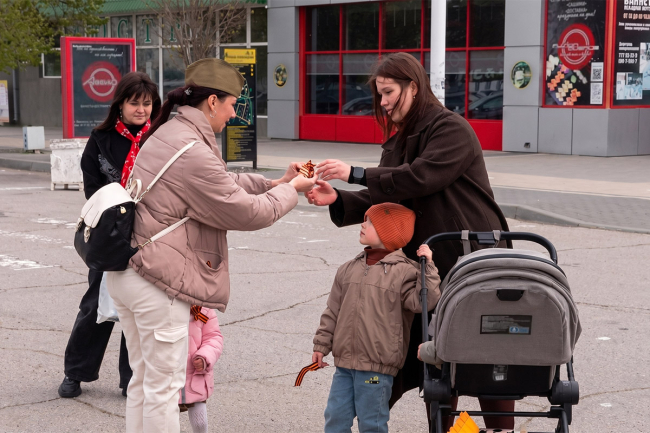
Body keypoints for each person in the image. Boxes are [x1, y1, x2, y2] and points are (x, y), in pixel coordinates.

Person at [106, 58, 316, 433]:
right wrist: (292, 191)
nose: (235, 114)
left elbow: (221, 181)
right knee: (164, 390)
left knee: (144, 382)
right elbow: (247, 212)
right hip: (157, 281)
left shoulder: (172, 131)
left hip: (131, 272)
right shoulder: (192, 148)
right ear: (213, 102)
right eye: (233, 104)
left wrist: (275, 182)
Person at [305, 52, 513, 430]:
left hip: (469, 255)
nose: (383, 102)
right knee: (430, 354)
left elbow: (419, 177)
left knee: (482, 351)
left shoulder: (450, 128)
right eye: (379, 94)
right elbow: (391, 196)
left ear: (413, 87)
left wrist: (355, 173)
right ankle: (439, 425)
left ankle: (500, 428)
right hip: (425, 260)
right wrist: (339, 198)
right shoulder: (399, 140)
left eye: (388, 92)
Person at [59, 71, 161, 399]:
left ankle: (131, 379)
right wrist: (117, 209)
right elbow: (92, 185)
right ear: (120, 104)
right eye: (134, 103)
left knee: (138, 308)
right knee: (95, 306)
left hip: (148, 234)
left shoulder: (159, 138)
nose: (141, 109)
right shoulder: (101, 139)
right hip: (109, 232)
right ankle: (76, 373)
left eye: (147, 103)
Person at [312, 203, 441, 433]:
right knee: (335, 418)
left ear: (388, 232)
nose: (362, 225)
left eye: (370, 222)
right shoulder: (348, 269)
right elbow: (332, 311)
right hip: (344, 366)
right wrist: (321, 345)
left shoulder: (406, 271)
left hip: (377, 369)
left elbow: (423, 302)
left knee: (372, 423)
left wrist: (428, 268)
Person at [179, 305, 224, 433]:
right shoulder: (163, 306)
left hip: (196, 375)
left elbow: (213, 337)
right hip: (168, 376)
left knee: (200, 422)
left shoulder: (202, 309)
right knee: (167, 422)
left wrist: (205, 357)